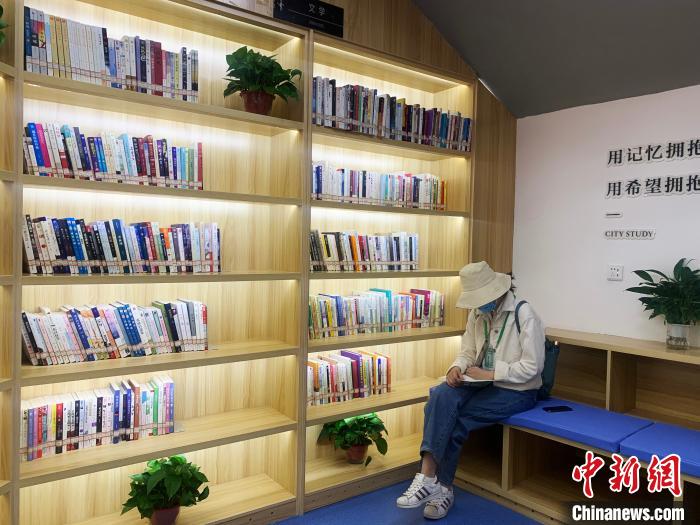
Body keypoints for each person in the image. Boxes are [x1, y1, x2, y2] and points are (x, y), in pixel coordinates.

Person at [396, 261, 545, 520]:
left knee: (457, 419)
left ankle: (443, 489)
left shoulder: (524, 314)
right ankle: (427, 478)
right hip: (480, 383)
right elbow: (467, 351)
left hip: (516, 390)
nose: (479, 304)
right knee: (439, 395)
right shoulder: (478, 313)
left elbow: (533, 367)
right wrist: (457, 367)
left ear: (496, 291)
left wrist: (492, 374)